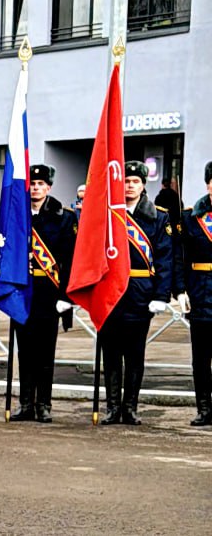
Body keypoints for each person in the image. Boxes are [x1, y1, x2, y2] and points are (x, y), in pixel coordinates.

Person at [100, 161, 172, 425]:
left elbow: (165, 258)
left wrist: (161, 296)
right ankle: (112, 407)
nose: (129, 186)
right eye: (126, 181)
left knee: (134, 355)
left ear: (143, 185)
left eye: (134, 182)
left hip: (141, 293)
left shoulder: (158, 217)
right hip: (110, 293)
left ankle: (130, 407)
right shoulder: (109, 214)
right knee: (110, 354)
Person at [11, 164, 78, 423]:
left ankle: (43, 404)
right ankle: (25, 403)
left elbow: (70, 259)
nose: (36, 188)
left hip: (50, 294)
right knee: (24, 351)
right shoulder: (16, 214)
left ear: (49, 187)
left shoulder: (64, 217)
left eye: (41, 184)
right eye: (33, 184)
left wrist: (66, 296)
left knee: (45, 352)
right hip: (23, 292)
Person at [178, 161, 212, 426]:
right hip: (200, 292)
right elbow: (180, 258)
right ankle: (204, 408)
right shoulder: (191, 217)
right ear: (207, 184)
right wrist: (180, 290)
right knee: (201, 357)